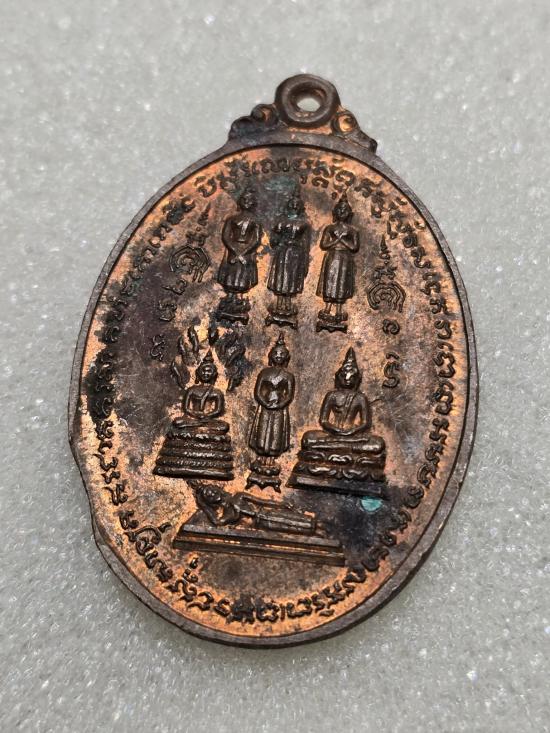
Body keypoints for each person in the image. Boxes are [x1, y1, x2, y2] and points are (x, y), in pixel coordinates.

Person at [247, 333, 295, 489]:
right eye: (276, 353)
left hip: (279, 408)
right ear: (271, 355)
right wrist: (265, 403)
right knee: (262, 432)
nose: (278, 356)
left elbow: (289, 395)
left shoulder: (288, 376)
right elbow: (258, 392)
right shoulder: (264, 373)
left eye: (282, 354)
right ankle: (260, 457)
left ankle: (271, 460)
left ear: (286, 357)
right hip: (265, 406)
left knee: (276, 433)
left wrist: (279, 405)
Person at [316, 192, 360, 331]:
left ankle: (339, 310)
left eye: (345, 210)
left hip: (345, 258)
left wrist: (342, 240)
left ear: (349, 214)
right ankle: (327, 308)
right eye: (339, 209)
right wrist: (336, 240)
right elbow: (324, 245)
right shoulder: (330, 228)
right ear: (335, 212)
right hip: (332, 256)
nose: (342, 212)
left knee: (342, 282)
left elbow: (354, 247)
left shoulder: (352, 230)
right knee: (330, 281)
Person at [266, 190, 310, 327]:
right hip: (282, 252)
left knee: (292, 278)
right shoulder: (281, 221)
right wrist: (278, 236)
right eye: (292, 203)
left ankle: (288, 304)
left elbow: (306, 244)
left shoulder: (304, 224)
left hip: (296, 254)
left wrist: (305, 260)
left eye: (297, 204)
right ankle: (279, 303)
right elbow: (273, 241)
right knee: (280, 277)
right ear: (289, 205)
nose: (295, 206)